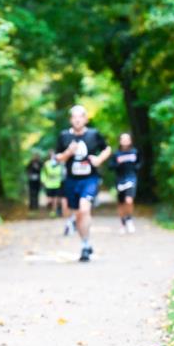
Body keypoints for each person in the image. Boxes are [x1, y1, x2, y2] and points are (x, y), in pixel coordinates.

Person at [55, 105, 110, 262]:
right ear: (70, 119)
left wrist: (99, 159)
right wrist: (68, 153)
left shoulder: (94, 134)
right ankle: (85, 243)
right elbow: (57, 158)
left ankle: (85, 246)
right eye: (74, 117)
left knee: (85, 209)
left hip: (90, 178)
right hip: (72, 180)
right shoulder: (64, 136)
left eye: (81, 117)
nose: (77, 120)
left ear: (85, 119)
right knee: (77, 213)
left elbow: (107, 149)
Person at [111, 132, 140, 234]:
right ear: (120, 141)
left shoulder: (135, 152)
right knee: (121, 202)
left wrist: (136, 167)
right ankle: (122, 224)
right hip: (120, 180)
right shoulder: (116, 154)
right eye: (123, 139)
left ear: (130, 141)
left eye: (127, 139)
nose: (125, 141)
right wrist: (117, 164)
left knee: (129, 200)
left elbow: (139, 163)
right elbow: (111, 166)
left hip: (131, 178)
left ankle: (129, 219)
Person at [41, 151, 64, 217]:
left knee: (55, 199)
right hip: (49, 184)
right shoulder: (46, 164)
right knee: (49, 200)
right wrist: (43, 180)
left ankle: (54, 212)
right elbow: (43, 173)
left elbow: (62, 174)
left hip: (57, 184)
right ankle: (50, 208)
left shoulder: (59, 164)